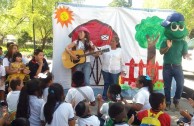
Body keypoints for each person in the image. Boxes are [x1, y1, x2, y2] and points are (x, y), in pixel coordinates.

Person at [160, 12, 191, 110]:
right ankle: (168, 102)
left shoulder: (183, 42)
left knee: (180, 84)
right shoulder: (165, 40)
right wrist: (168, 47)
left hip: (178, 66)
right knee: (167, 86)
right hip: (167, 66)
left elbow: (184, 53)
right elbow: (161, 52)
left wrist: (186, 55)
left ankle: (176, 101)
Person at [99, 35, 126, 100]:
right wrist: (93, 47)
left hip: (115, 71)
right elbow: (98, 50)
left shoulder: (120, 51)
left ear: (116, 43)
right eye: (110, 41)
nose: (111, 42)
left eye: (113, 41)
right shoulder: (106, 48)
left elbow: (122, 61)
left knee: (114, 84)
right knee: (106, 83)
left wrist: (123, 70)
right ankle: (104, 97)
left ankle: (116, 97)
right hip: (105, 70)